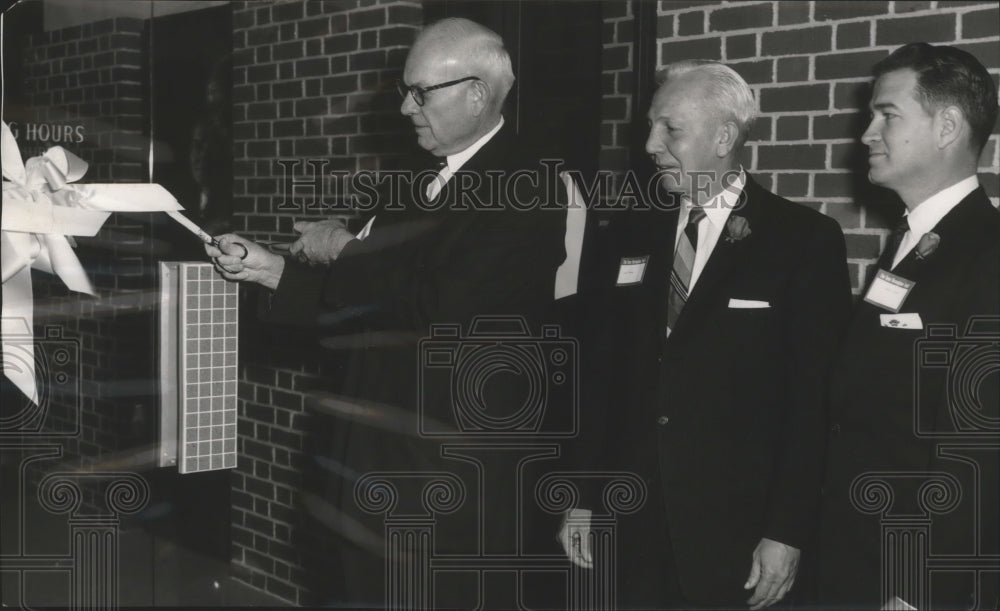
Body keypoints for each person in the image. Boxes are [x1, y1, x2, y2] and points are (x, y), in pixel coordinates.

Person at [207, 18, 566, 608]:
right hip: (364, 470)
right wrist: (270, 269)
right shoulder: (404, 182)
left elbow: (444, 306)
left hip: (446, 483)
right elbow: (362, 304)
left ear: (477, 94)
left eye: (421, 91)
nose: (405, 107)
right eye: (406, 90)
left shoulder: (529, 187)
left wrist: (345, 250)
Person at [559, 60, 852, 609]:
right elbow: (598, 377)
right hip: (628, 524)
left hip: (737, 536)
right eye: (650, 126)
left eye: (670, 129)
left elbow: (813, 401)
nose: (650, 144)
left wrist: (786, 531)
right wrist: (579, 498)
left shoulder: (802, 241)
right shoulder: (627, 233)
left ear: (724, 137)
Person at [819, 42, 1000, 610]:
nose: (868, 133)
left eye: (887, 115)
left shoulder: (988, 253)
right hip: (853, 554)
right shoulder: (909, 245)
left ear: (947, 126)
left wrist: (922, 588)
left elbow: (976, 448)